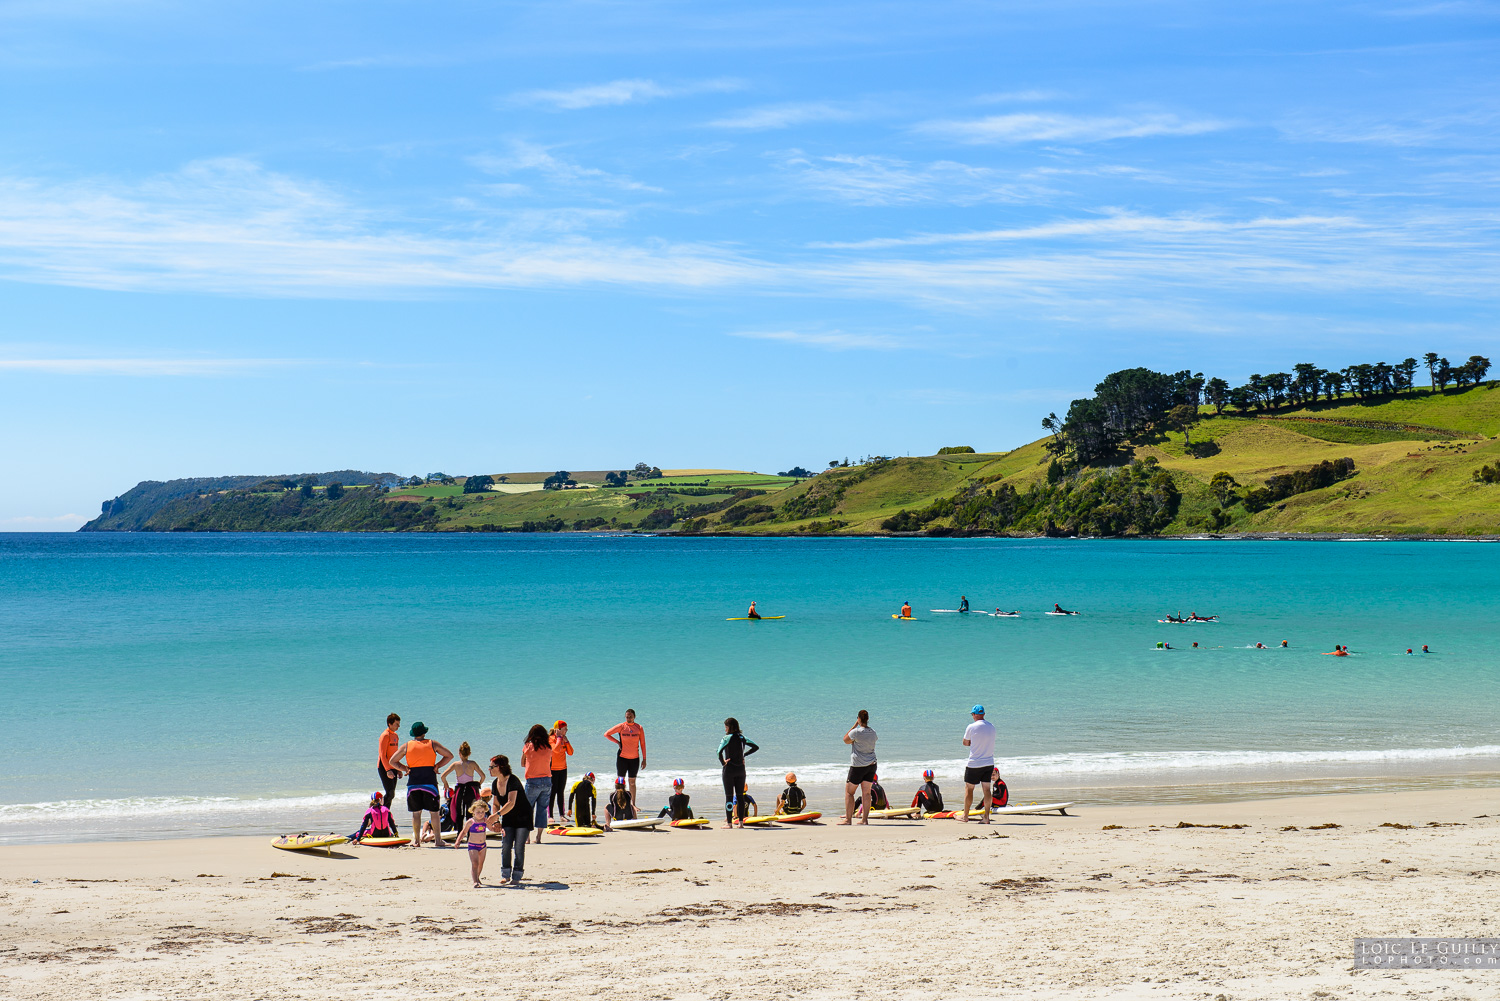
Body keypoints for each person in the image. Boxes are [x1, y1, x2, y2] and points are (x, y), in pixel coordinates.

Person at [387, 722, 454, 847]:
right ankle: (438, 841)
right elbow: (449, 755)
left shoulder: (407, 746)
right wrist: (437, 765)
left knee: (416, 813)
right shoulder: (432, 743)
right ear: (424, 733)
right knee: (434, 813)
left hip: (413, 784)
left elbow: (392, 761)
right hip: (429, 783)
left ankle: (417, 841)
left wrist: (405, 768)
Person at [489, 754, 530, 886]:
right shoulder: (495, 783)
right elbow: (495, 804)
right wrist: (496, 820)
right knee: (506, 845)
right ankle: (505, 875)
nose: (489, 769)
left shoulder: (513, 780)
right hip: (508, 817)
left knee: (518, 847)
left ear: (500, 767)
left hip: (523, 816)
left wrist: (497, 815)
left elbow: (511, 803)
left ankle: (517, 875)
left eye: (491, 767)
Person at [718, 717, 759, 829]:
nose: (725, 729)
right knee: (740, 796)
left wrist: (723, 762)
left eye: (726, 727)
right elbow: (755, 747)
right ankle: (741, 823)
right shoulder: (742, 738)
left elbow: (718, 752)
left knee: (729, 797)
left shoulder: (726, 738)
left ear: (729, 727)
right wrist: (744, 755)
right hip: (741, 770)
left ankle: (729, 823)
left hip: (729, 770)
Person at [840, 709, 877, 826]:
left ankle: (848, 819)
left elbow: (845, 740)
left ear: (859, 719)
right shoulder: (873, 732)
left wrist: (854, 725)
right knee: (866, 793)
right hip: (871, 765)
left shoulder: (856, 732)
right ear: (868, 719)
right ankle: (864, 820)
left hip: (858, 766)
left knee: (849, 792)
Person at [959, 705, 996, 824]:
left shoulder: (971, 727)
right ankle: (986, 817)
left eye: (972, 715)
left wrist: (974, 743)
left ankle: (965, 816)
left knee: (969, 789)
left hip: (975, 763)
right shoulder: (992, 727)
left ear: (975, 715)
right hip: (989, 762)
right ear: (983, 714)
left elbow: (965, 742)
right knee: (987, 789)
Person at [604, 709, 647, 806]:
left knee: (632, 782)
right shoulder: (621, 726)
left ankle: (633, 804)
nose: (628, 718)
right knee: (620, 782)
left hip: (634, 759)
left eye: (630, 717)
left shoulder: (639, 728)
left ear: (634, 717)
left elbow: (643, 744)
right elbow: (606, 734)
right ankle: (620, 804)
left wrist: (644, 759)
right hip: (622, 758)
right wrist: (617, 742)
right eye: (627, 717)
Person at [521, 724, 553, 844]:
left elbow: (522, 763)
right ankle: (538, 837)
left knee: (528, 809)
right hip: (546, 780)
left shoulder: (528, 746)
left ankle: (527, 837)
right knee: (542, 809)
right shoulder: (549, 748)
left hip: (532, 780)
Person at [441, 742, 484, 829]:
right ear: (469, 753)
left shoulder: (455, 764)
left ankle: (459, 833)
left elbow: (443, 776)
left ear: (459, 753)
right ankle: (469, 833)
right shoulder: (473, 763)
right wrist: (478, 784)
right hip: (470, 790)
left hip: (460, 790)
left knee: (459, 813)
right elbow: (483, 776)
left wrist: (446, 785)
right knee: (470, 812)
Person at [377, 713, 403, 834]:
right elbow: (382, 755)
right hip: (384, 767)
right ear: (390, 724)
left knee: (391, 794)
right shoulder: (385, 735)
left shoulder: (395, 736)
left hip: (393, 767)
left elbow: (396, 754)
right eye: (396, 724)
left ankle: (385, 816)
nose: (398, 726)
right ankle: (378, 811)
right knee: (390, 792)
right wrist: (387, 770)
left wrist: (398, 769)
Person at [458, 800, 490, 887]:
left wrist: (500, 829)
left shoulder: (485, 821)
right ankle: (475, 881)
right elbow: (464, 832)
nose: (481, 814)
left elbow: (492, 828)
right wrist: (458, 841)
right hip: (473, 845)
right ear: (473, 812)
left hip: (483, 846)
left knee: (480, 864)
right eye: (478, 812)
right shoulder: (471, 822)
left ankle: (477, 877)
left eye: (483, 812)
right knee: (475, 863)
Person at [548, 721, 573, 821]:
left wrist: (567, 742)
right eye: (565, 729)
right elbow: (555, 750)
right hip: (552, 769)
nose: (566, 730)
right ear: (558, 729)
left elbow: (571, 753)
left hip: (563, 769)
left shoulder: (564, 739)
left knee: (560, 792)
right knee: (552, 793)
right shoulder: (549, 739)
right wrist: (558, 738)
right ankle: (550, 816)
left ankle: (562, 815)